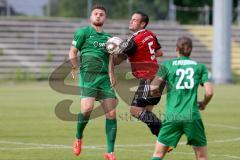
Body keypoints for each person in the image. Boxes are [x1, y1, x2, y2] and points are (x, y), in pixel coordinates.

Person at [150, 36, 214, 160]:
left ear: (176, 49)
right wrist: (204, 103)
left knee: (158, 154)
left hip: (172, 115)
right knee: (201, 157)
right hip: (192, 115)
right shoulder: (200, 67)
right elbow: (209, 92)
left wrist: (156, 93)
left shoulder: (167, 65)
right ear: (191, 50)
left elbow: (153, 88)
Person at [69, 5, 117, 160]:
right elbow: (73, 51)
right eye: (95, 14)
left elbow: (110, 58)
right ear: (91, 17)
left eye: (101, 14)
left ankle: (109, 152)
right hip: (88, 76)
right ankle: (78, 136)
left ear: (105, 18)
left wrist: (111, 74)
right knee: (87, 110)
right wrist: (75, 66)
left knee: (111, 113)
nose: (98, 16)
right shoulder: (83, 32)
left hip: (104, 78)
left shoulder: (108, 39)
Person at [113, 11, 165, 137]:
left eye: (135, 20)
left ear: (142, 24)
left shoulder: (134, 41)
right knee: (147, 114)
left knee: (135, 110)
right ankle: (164, 141)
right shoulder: (150, 34)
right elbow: (159, 52)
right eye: (131, 19)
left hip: (148, 78)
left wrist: (111, 50)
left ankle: (166, 133)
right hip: (158, 77)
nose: (131, 21)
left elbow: (117, 61)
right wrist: (143, 55)